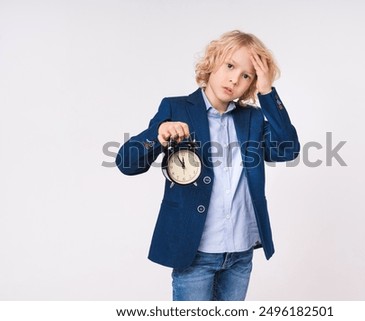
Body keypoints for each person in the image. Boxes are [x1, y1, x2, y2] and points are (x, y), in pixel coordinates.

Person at [115, 30, 300, 301]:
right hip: (195, 251)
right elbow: (126, 163)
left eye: (247, 75)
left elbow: (288, 149)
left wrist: (268, 93)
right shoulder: (175, 108)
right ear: (212, 62)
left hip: (240, 252)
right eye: (230, 66)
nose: (235, 78)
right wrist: (158, 135)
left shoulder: (253, 118)